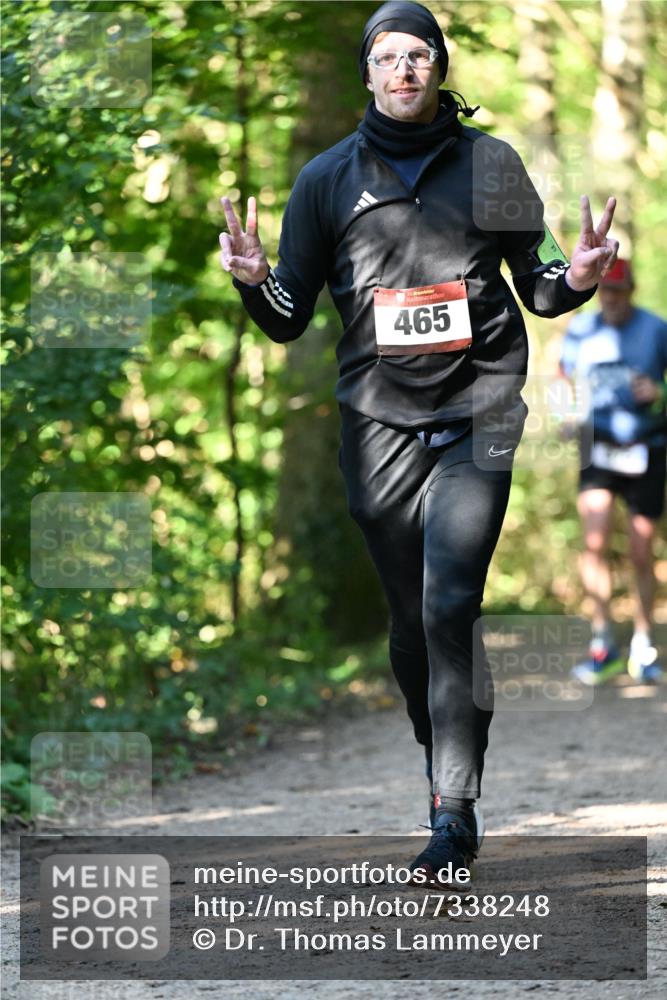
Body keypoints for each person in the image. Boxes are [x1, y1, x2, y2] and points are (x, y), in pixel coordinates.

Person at [219, 0, 619, 883]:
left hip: (478, 412)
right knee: (410, 624)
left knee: (449, 607)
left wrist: (578, 276)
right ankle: (440, 755)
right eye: (388, 57)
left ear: (439, 69)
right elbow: (287, 318)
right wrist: (254, 283)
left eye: (420, 55)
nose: (405, 69)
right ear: (367, 72)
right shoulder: (325, 179)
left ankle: (454, 813)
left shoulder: (491, 164)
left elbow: (541, 285)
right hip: (375, 428)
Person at [560, 259, 666, 686]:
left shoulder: (656, 329)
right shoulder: (581, 331)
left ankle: (643, 645)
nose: (612, 299)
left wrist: (660, 393)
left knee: (641, 551)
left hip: (647, 447)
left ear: (631, 291)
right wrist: (565, 412)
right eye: (605, 290)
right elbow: (563, 379)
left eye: (619, 291)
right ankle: (602, 644)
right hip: (596, 445)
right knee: (595, 542)